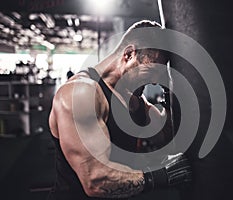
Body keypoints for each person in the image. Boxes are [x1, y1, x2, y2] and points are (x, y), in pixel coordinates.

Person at [47, 20, 192, 200]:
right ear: (129, 54)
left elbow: (165, 135)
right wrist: (159, 177)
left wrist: (169, 92)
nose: (155, 81)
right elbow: (95, 181)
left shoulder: (134, 100)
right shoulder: (81, 94)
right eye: (153, 69)